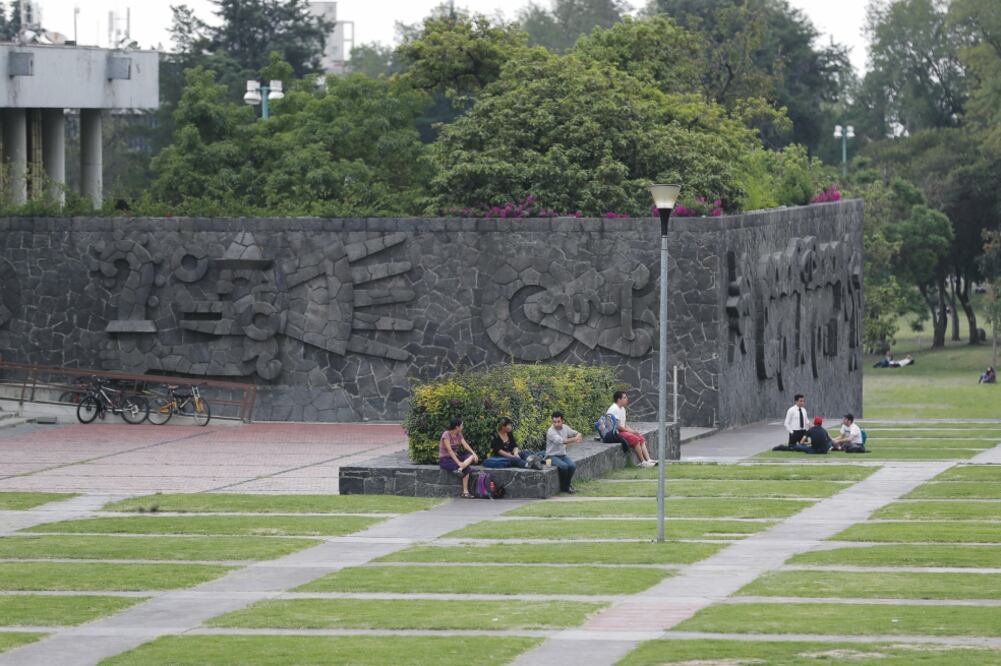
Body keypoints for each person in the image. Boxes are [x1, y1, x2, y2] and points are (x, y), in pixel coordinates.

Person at [607, 391, 657, 468]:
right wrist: (628, 432)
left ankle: (648, 459)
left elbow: (624, 425)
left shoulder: (622, 409)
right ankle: (643, 462)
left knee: (640, 437)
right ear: (619, 400)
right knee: (635, 439)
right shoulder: (614, 409)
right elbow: (617, 426)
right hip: (615, 433)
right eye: (624, 397)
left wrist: (633, 431)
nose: (627, 399)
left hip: (621, 431)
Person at [438, 417, 479, 498]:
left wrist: (474, 454)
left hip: (455, 457)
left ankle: (459, 470)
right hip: (445, 460)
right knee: (467, 469)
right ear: (457, 427)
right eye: (462, 425)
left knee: (470, 456)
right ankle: (465, 492)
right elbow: (450, 450)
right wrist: (458, 462)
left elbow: (465, 445)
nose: (462, 427)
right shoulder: (446, 434)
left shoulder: (459, 434)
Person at [545, 411, 582, 494]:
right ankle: (565, 487)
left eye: (558, 422)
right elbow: (562, 441)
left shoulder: (565, 427)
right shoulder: (551, 431)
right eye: (554, 422)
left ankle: (567, 485)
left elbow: (575, 433)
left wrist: (579, 435)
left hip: (562, 455)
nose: (556, 424)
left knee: (572, 466)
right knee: (564, 466)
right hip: (551, 456)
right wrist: (575, 439)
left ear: (562, 421)